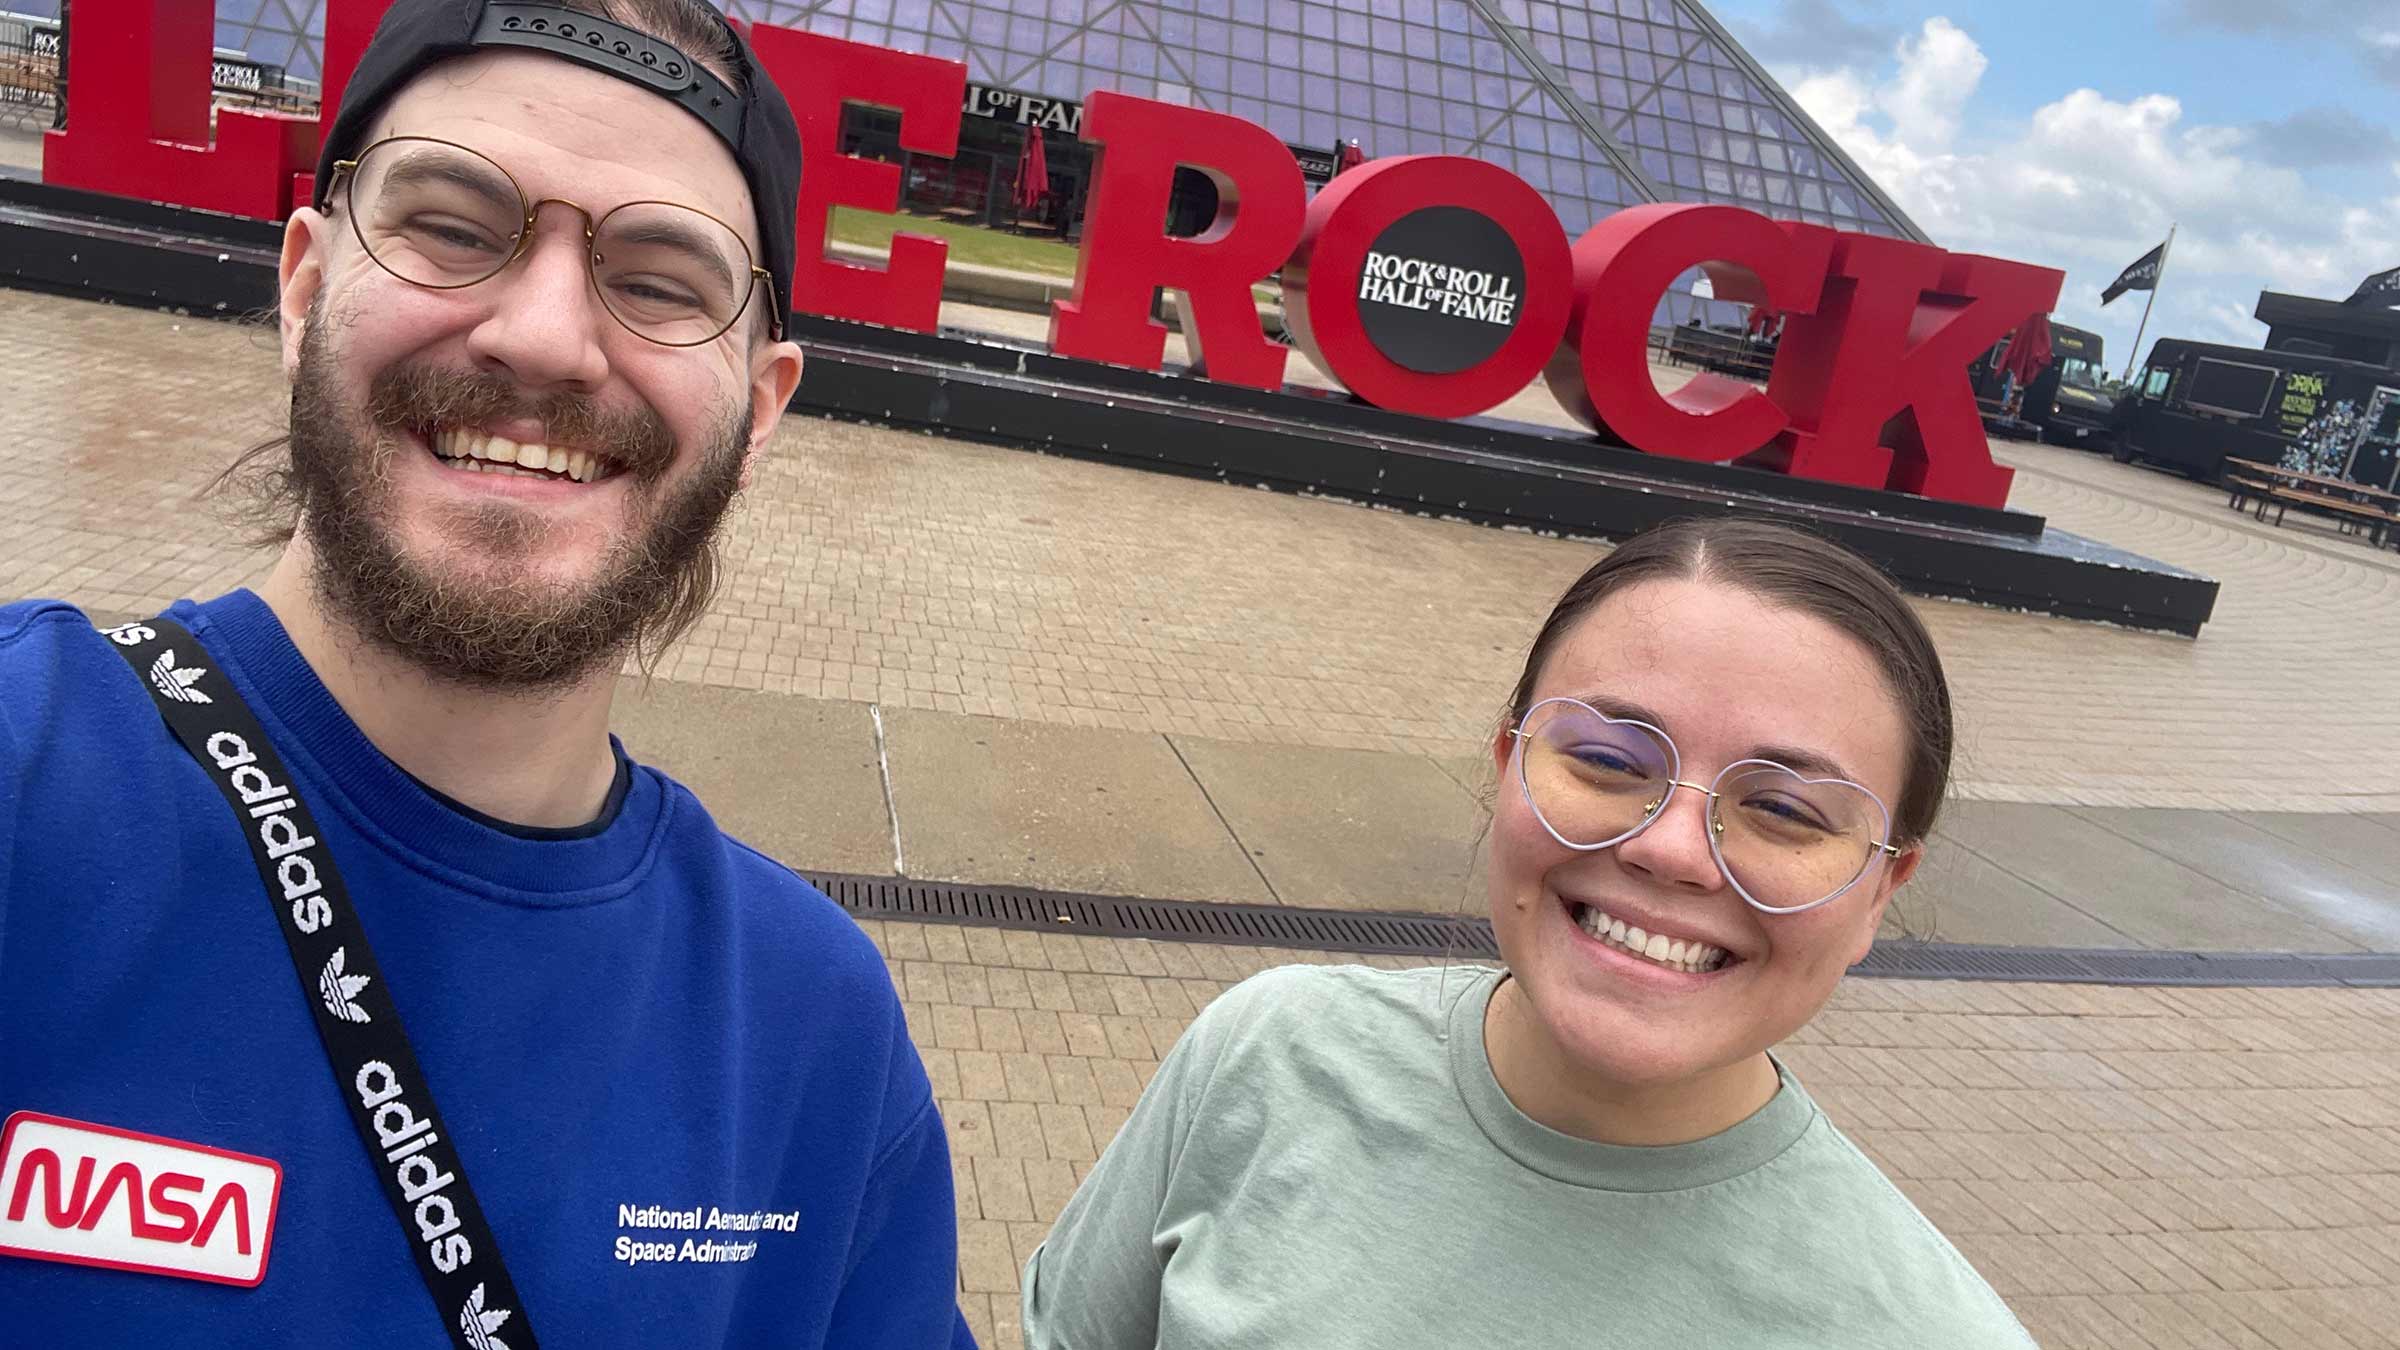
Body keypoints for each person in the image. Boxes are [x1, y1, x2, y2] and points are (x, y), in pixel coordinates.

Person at [0, 2, 971, 1345]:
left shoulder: (816, 1042)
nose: (545, 336)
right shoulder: (20, 791)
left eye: (660, 277)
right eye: (453, 225)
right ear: (302, 288)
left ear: (761, 411)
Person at [1020, 517, 2034, 1348]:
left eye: (1786, 811)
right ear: (1506, 766)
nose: (1674, 849)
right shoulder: (1265, 1060)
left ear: (1880, 891)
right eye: (1604, 757)